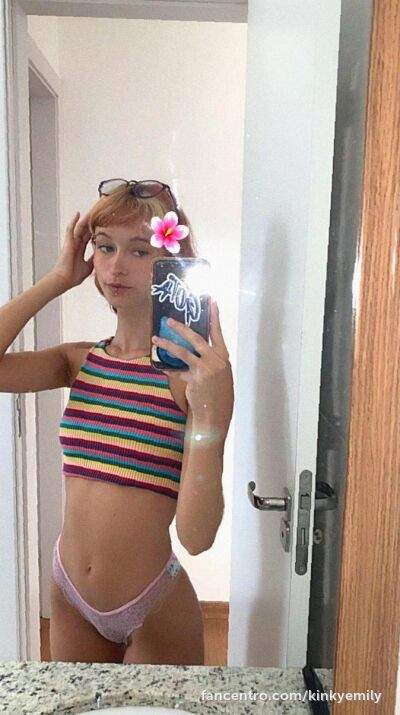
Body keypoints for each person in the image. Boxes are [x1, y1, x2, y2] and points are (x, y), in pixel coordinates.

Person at [0, 179, 234, 665]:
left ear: (173, 263)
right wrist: (57, 278)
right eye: (104, 247)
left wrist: (210, 410)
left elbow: (197, 537)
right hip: (69, 596)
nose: (115, 266)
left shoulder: (193, 380)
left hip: (154, 606)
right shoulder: (79, 361)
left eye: (140, 250)